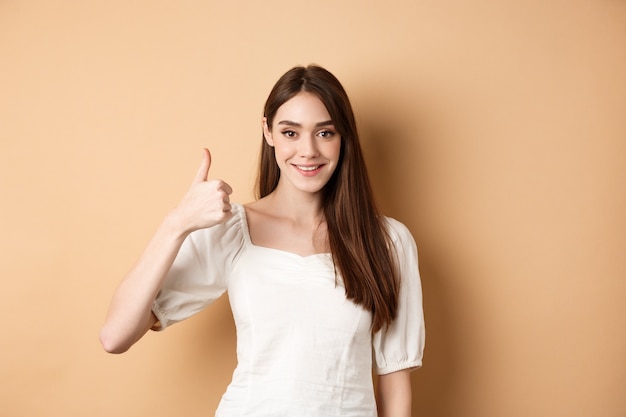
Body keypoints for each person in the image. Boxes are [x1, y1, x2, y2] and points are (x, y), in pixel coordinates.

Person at [100, 64, 425, 417]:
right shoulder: (233, 230)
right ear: (268, 131)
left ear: (344, 137)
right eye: (290, 133)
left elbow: (395, 382)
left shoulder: (387, 242)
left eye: (325, 133)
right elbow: (115, 337)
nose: (308, 151)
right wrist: (176, 223)